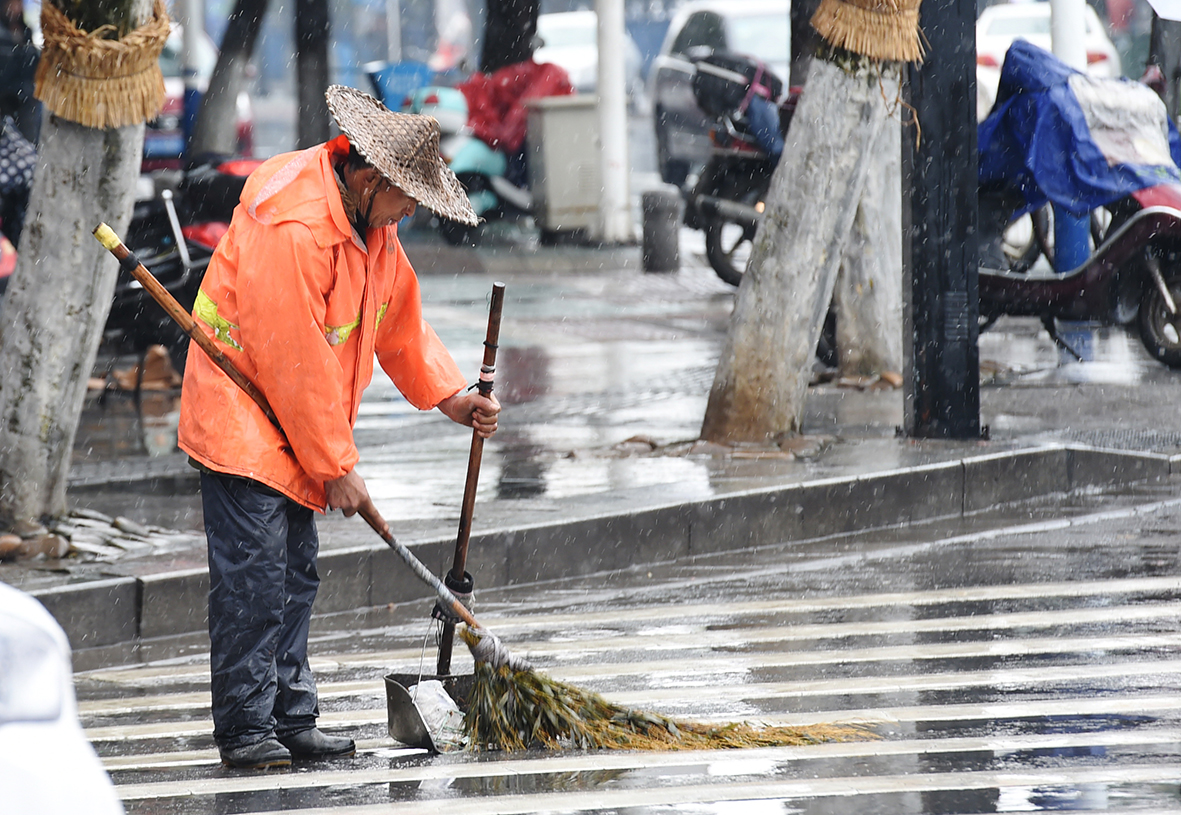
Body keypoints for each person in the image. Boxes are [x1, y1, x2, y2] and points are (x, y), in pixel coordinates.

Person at [177, 84, 500, 770]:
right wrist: (337, 464)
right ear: (371, 178)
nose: (411, 212)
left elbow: (396, 318)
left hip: (294, 421)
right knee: (255, 580)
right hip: (243, 410)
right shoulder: (295, 224)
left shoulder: (370, 225)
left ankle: (291, 716)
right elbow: (292, 358)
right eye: (407, 197)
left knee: (295, 572)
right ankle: (244, 726)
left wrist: (451, 396)